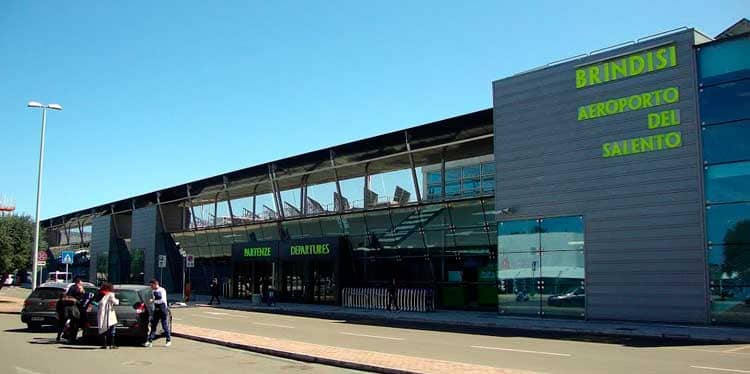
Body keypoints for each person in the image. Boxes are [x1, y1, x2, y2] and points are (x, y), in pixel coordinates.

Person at [145, 279, 171, 347]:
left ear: (155, 284)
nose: (151, 287)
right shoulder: (153, 291)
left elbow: (161, 299)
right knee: (153, 325)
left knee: (164, 325)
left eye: (151, 285)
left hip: (162, 308)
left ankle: (168, 340)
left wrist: (153, 299)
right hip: (156, 309)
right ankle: (150, 341)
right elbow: (155, 299)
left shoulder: (162, 290)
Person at [95, 283, 119, 349]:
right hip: (109, 313)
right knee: (112, 329)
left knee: (103, 329)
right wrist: (117, 300)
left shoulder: (99, 294)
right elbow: (116, 302)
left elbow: (95, 302)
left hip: (101, 313)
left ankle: (104, 344)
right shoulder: (110, 294)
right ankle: (112, 344)